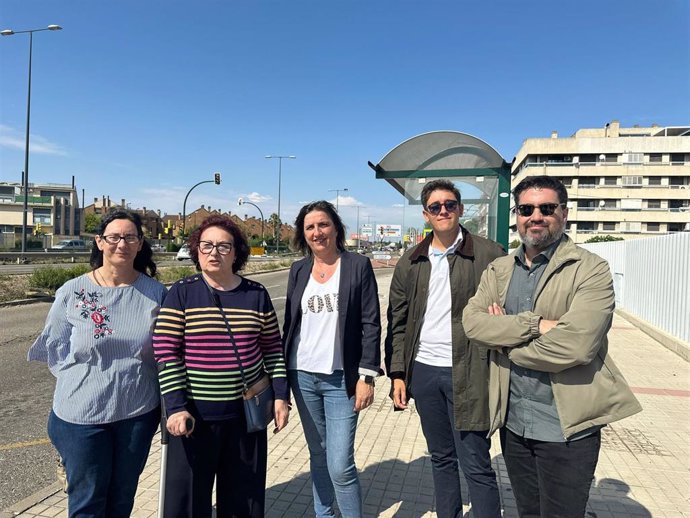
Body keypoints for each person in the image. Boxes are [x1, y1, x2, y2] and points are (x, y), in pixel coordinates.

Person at [462, 175, 642, 518]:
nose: (536, 216)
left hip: (567, 428)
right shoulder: (499, 269)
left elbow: (576, 346)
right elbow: (472, 323)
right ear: (516, 214)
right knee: (528, 511)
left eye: (547, 208)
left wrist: (503, 340)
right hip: (514, 423)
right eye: (526, 208)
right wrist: (536, 325)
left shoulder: (590, 269)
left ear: (564, 213)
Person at [28, 210, 167, 518]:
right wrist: (86, 379)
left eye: (131, 237)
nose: (122, 244)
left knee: (121, 499)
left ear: (140, 243)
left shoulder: (156, 294)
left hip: (137, 415)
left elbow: (165, 353)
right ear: (100, 242)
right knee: (88, 503)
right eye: (114, 237)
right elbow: (56, 347)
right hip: (81, 417)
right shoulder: (72, 292)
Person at [153, 214, 289, 518]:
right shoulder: (182, 293)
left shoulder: (256, 294)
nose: (214, 253)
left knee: (243, 502)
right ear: (196, 250)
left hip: (246, 417)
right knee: (187, 504)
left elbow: (272, 350)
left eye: (223, 246)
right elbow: (166, 351)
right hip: (193, 419)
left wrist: (281, 396)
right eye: (206, 245)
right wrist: (175, 407)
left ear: (237, 252)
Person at [385, 179, 504, 518]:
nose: (443, 211)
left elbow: (510, 307)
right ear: (426, 214)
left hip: (470, 371)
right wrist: (398, 374)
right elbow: (398, 321)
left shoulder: (490, 254)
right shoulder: (412, 260)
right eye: (435, 207)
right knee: (441, 458)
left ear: (460, 209)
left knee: (476, 462)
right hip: (424, 372)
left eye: (450, 204)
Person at [283, 201, 381, 518]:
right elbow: (291, 323)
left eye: (323, 224)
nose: (317, 232)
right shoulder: (298, 270)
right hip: (303, 376)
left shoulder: (357, 265)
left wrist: (366, 377)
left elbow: (370, 323)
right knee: (317, 452)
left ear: (335, 227)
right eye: (310, 227)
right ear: (303, 233)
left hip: (342, 380)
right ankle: (324, 513)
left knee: (340, 464)